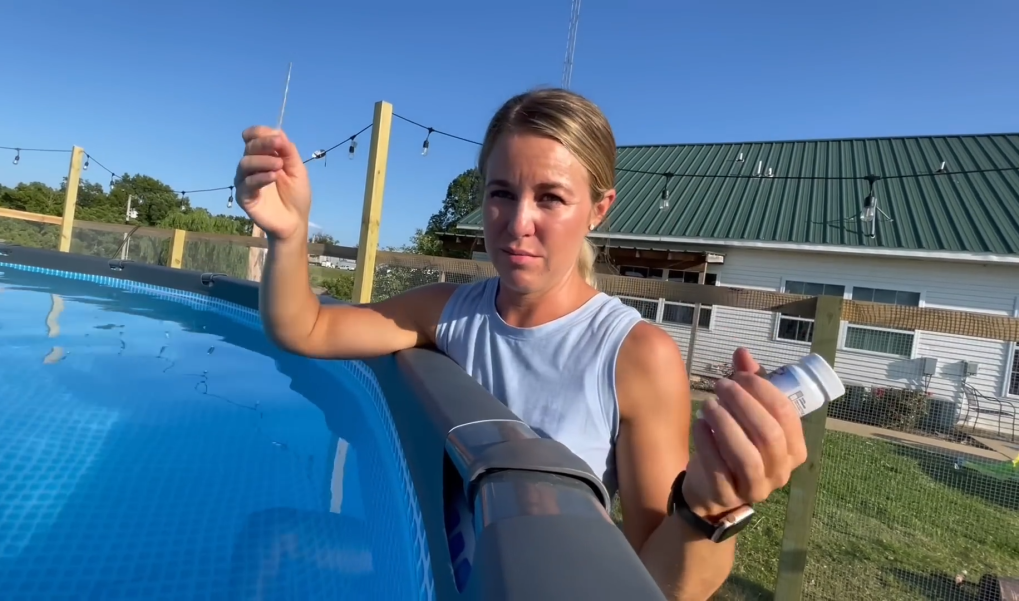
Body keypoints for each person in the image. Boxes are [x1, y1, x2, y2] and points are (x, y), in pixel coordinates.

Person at [233, 88, 808, 601]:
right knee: (270, 538)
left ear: (598, 210)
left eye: (551, 198)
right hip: (438, 565)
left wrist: (707, 511)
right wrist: (289, 234)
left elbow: (650, 582)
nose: (517, 222)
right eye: (501, 193)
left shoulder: (632, 355)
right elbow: (304, 328)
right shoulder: (446, 311)